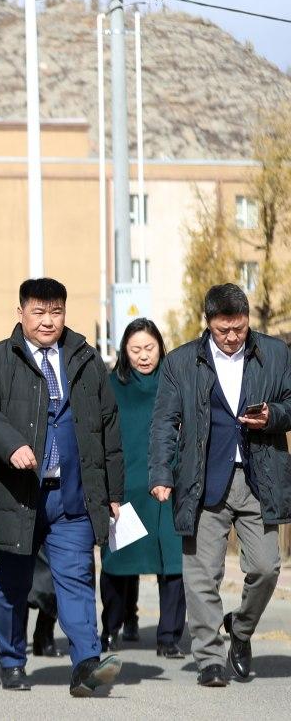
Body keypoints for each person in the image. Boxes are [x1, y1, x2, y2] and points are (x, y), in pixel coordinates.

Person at [0, 277, 123, 697]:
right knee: (12, 583)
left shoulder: (87, 360)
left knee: (76, 579)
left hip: (71, 495)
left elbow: (107, 426)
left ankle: (86, 665)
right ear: (21, 313)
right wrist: (11, 443)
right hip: (17, 495)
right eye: (39, 311)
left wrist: (113, 492)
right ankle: (12, 661)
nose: (48, 321)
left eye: (56, 311)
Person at [149, 283, 291, 687]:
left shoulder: (276, 354)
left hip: (258, 475)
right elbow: (164, 423)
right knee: (201, 574)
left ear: (248, 322)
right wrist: (160, 473)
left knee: (266, 568)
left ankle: (240, 631)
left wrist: (275, 415)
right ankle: (210, 657)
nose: (232, 337)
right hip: (202, 478)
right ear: (208, 322)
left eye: (240, 329)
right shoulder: (180, 362)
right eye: (223, 330)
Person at [99, 318, 185, 659]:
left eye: (149, 348)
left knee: (173, 563)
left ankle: (169, 637)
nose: (143, 356)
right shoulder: (112, 385)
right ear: (124, 352)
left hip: (168, 485)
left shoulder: (175, 381)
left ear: (161, 348)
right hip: (127, 485)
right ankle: (111, 627)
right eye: (135, 350)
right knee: (119, 562)